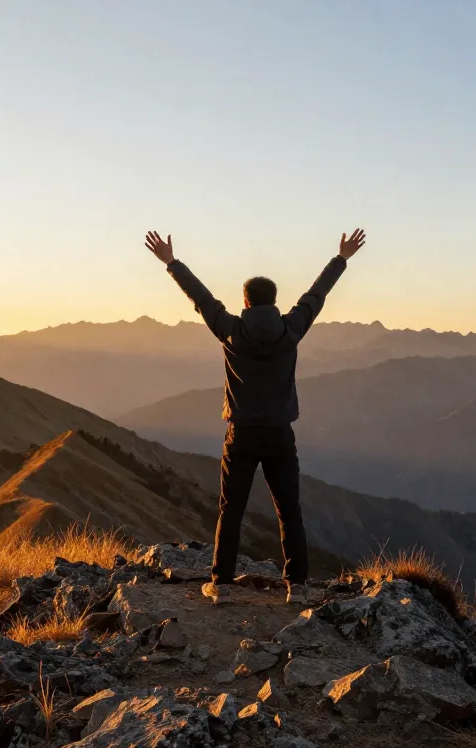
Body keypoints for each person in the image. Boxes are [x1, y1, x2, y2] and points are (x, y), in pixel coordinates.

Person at [144, 228, 367, 605]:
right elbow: (317, 295)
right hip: (280, 434)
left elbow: (201, 297)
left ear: (245, 302)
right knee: (289, 510)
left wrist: (171, 262)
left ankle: (223, 586)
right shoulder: (292, 328)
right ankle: (296, 587)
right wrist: (341, 257)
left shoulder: (231, 330)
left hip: (241, 434)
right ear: (274, 302)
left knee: (231, 510)